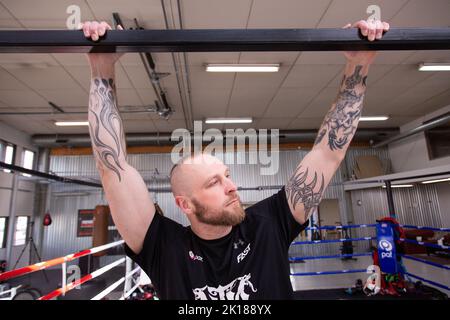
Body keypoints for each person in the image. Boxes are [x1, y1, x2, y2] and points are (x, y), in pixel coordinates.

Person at [81, 18, 389, 300]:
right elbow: (112, 167)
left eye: (227, 175)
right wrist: (101, 67)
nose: (231, 187)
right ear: (184, 204)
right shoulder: (164, 247)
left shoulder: (269, 225)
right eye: (214, 182)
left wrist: (359, 65)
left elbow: (328, 152)